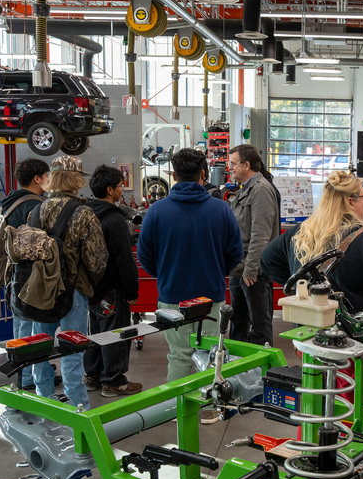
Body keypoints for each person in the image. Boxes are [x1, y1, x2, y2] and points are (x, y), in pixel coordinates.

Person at [260, 170, 363, 406]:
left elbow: (267, 261)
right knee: (348, 415)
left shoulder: (301, 233)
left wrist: (302, 285)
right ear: (350, 201)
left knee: (312, 407)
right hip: (355, 350)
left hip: (309, 341)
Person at [138, 148, 243, 382]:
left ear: (174, 176)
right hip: (211, 297)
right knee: (210, 355)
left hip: (172, 296)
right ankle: (208, 407)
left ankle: (180, 411)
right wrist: (216, 271)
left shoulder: (156, 212)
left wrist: (166, 273)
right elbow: (236, 253)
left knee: (179, 356)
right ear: (203, 174)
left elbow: (145, 257)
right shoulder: (221, 210)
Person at [30, 155, 108, 409]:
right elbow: (97, 259)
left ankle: (44, 400)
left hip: (40, 290)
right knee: (73, 350)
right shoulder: (83, 213)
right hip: (73, 291)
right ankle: (78, 407)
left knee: (39, 347)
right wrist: (92, 284)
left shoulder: (36, 210)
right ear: (76, 180)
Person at [83, 165, 142, 398]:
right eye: (119, 187)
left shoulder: (86, 212)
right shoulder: (114, 219)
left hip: (91, 286)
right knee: (117, 333)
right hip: (113, 288)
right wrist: (132, 290)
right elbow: (124, 260)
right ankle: (114, 381)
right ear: (109, 189)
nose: (122, 191)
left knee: (96, 331)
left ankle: (93, 375)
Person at [1, 158, 49, 390]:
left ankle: (25, 375)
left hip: (14, 274)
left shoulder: (9, 202)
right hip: (34, 276)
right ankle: (35, 375)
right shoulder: (34, 206)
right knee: (36, 329)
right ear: (37, 179)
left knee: (20, 325)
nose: (49, 180)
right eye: (46, 175)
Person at [227, 144, 280, 345]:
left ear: (246, 165)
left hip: (254, 273)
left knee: (260, 327)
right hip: (239, 268)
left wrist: (251, 270)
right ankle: (239, 372)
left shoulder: (261, 190)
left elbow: (261, 235)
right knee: (238, 323)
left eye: (233, 164)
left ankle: (262, 372)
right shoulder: (245, 190)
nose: (230, 168)